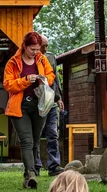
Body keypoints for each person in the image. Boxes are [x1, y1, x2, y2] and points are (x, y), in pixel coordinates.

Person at [4, 31, 56, 189]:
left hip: (39, 105)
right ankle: (32, 173)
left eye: (38, 49)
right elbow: (8, 84)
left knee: (34, 141)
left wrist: (45, 79)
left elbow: (51, 74)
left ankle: (28, 175)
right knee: (26, 142)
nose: (36, 52)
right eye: (32, 49)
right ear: (25, 46)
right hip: (20, 107)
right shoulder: (13, 62)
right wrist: (26, 80)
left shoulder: (41, 59)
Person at [34, 35, 65, 176]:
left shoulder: (51, 57)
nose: (46, 48)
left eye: (47, 46)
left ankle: (54, 166)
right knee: (36, 135)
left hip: (51, 102)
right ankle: (36, 166)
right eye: (43, 46)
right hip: (36, 103)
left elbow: (56, 80)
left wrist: (59, 99)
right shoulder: (31, 58)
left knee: (52, 134)